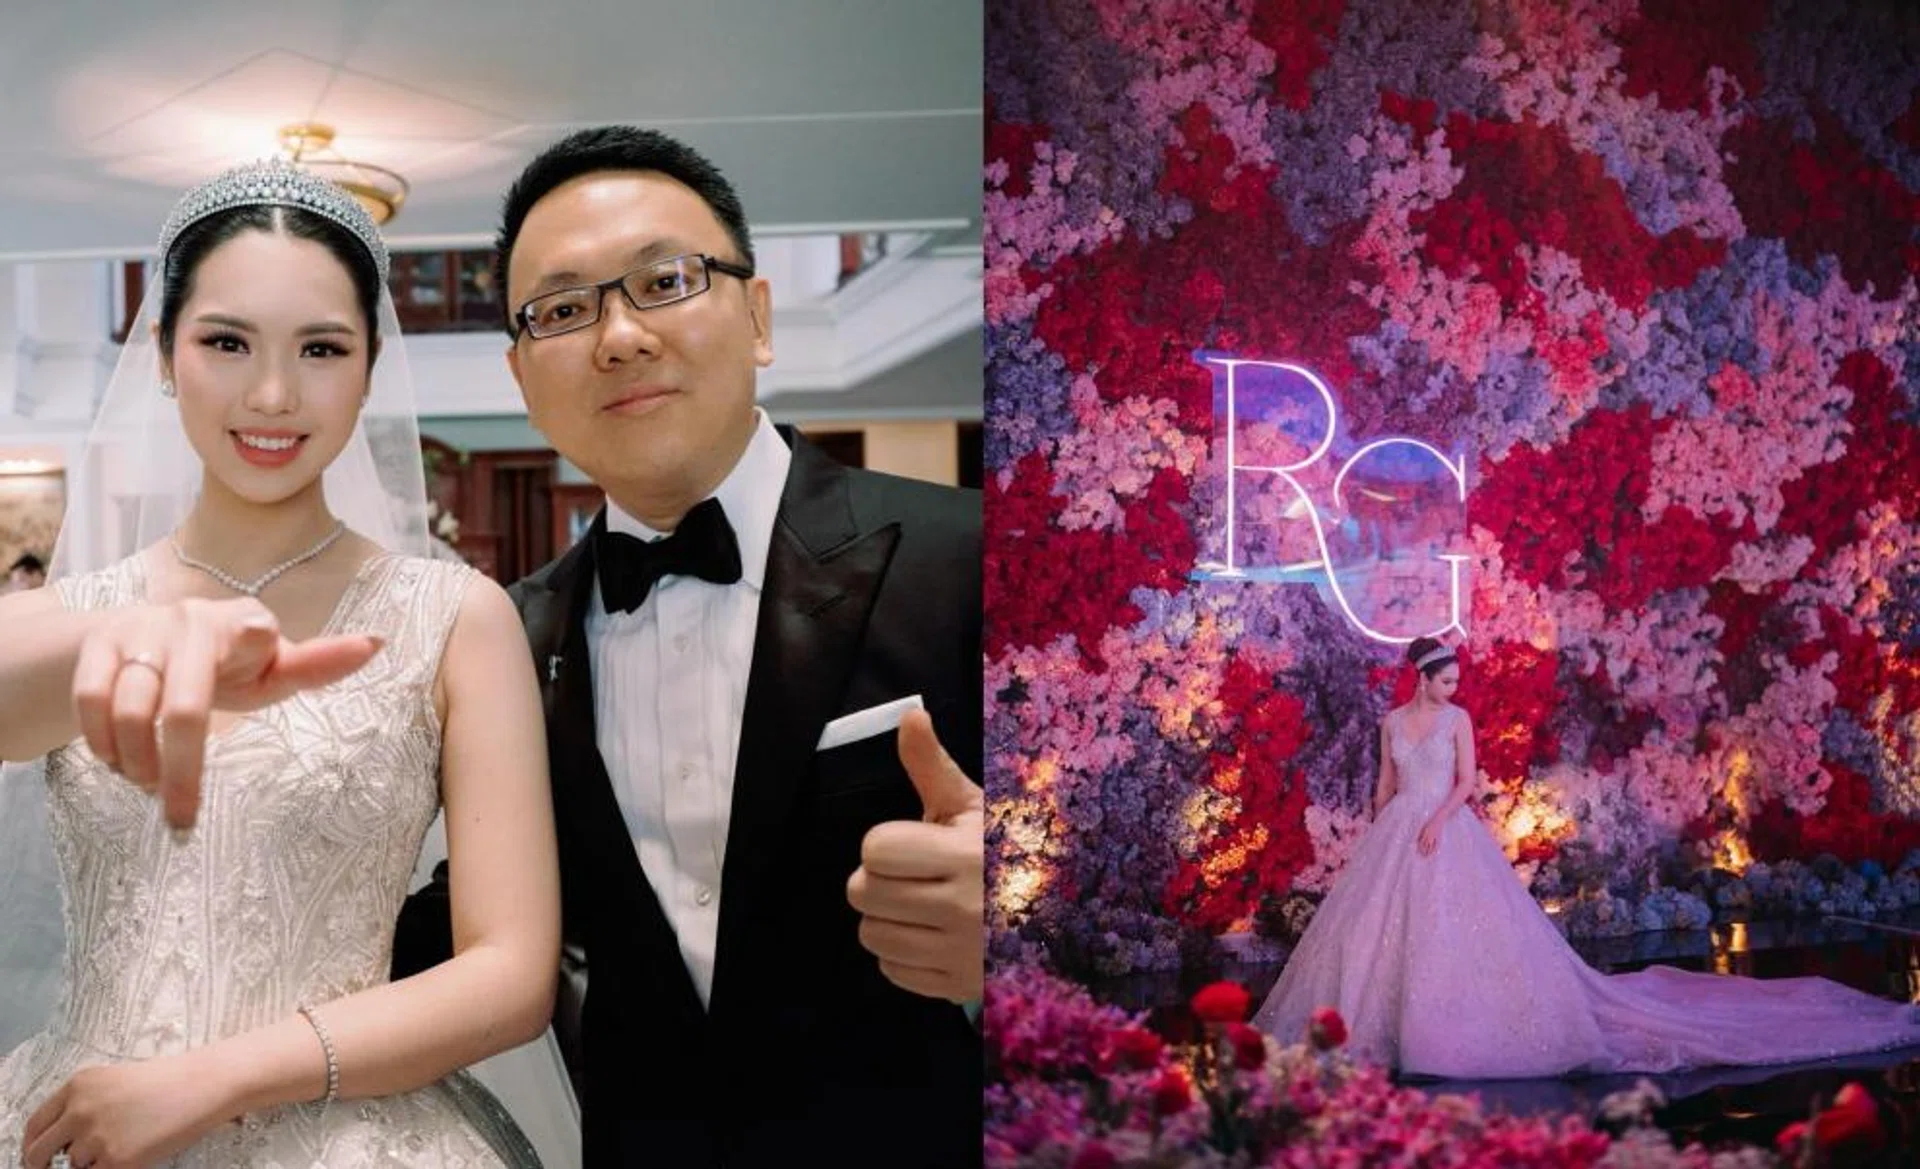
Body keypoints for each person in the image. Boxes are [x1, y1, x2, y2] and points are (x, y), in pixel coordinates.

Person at [398, 125, 984, 1167]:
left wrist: (1022, 914)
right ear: (523, 375)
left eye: (664, 279)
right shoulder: (505, 636)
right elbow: (477, 920)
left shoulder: (973, 556)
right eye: (564, 309)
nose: (619, 336)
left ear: (757, 317)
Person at [0, 158, 559, 1167]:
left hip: (346, 1129)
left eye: (321, 348)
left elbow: (512, 970)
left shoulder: (456, 617)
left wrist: (210, 1077)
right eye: (225, 340)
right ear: (165, 350)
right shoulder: (67, 610)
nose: (272, 392)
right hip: (75, 1116)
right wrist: (117, 638)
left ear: (370, 364)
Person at [1252, 636, 1920, 1079]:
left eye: (1457, 679)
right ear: (1421, 676)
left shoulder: (1458, 720)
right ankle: (1383, 1026)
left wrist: (1434, 822)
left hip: (1445, 828)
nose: (1454, 688)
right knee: (1377, 936)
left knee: (1460, 934)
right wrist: (1382, 832)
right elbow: (1384, 784)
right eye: (1444, 678)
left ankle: (1452, 1030)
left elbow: (1466, 783)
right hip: (1398, 829)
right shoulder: (1392, 722)